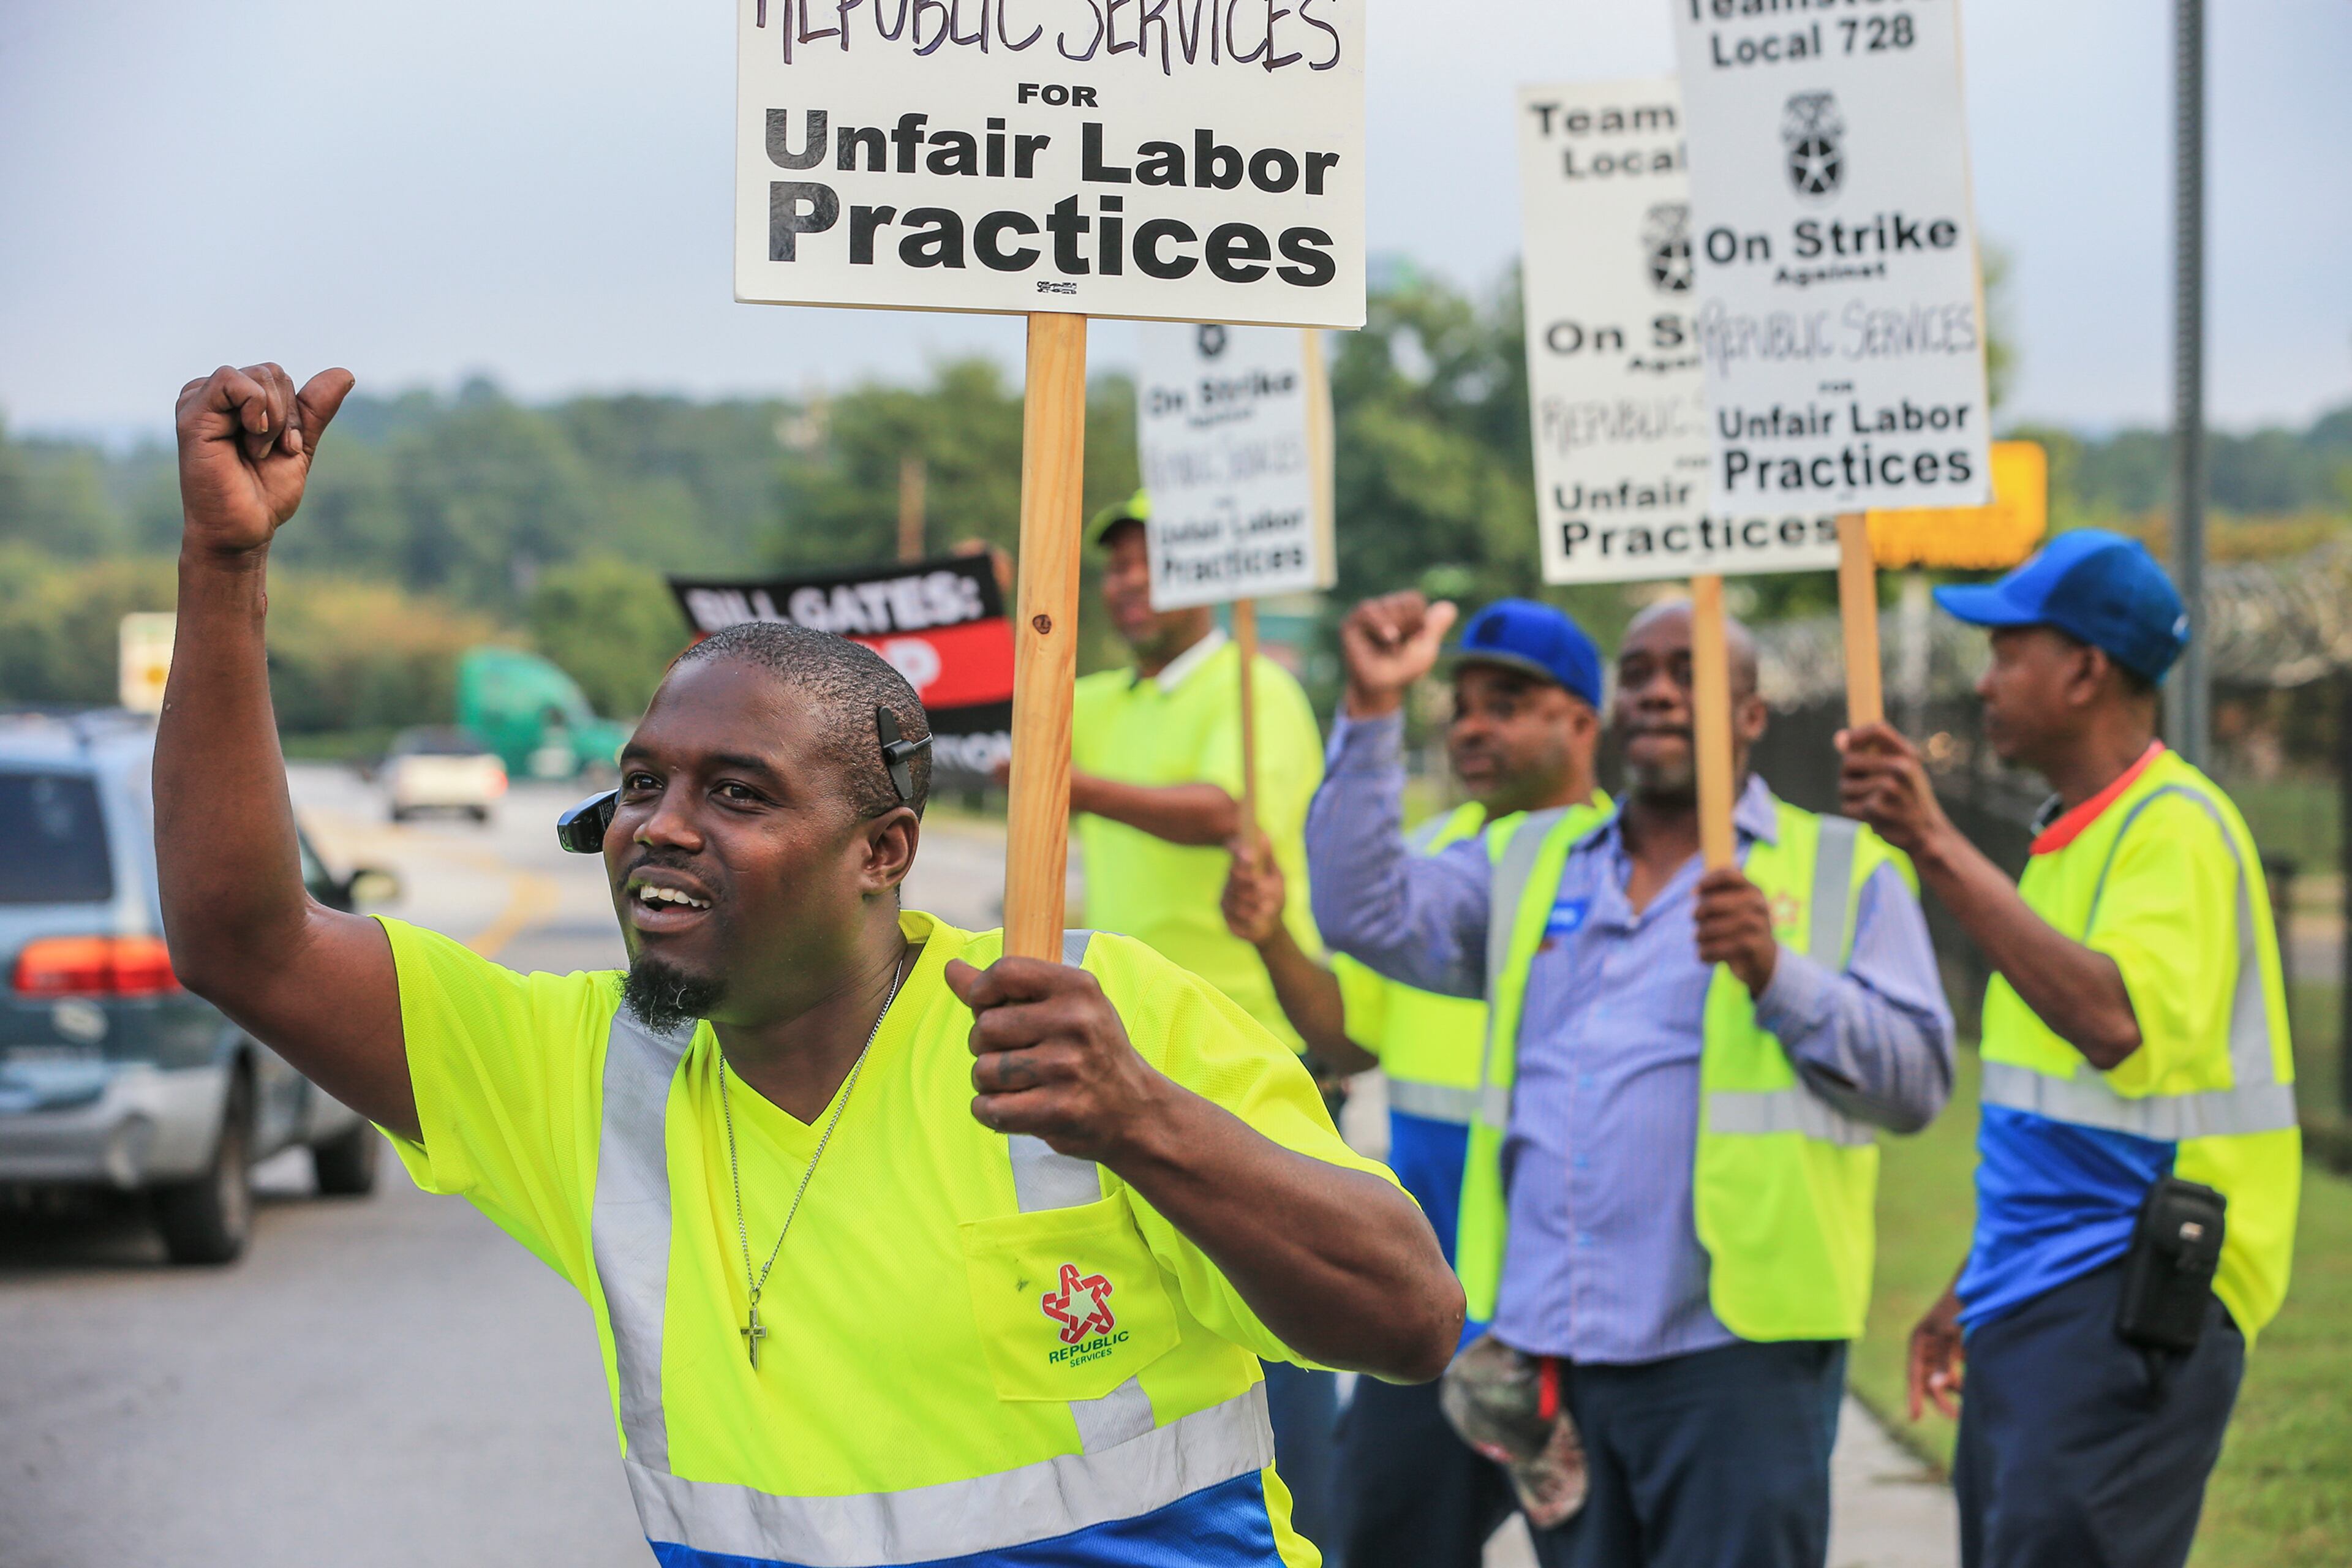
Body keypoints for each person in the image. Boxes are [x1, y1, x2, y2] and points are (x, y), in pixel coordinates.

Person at [156, 363, 1463, 1568]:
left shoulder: (1078, 1024)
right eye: (639, 783)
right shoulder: (581, 1072)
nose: (661, 823)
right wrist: (225, 565)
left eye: (736, 791)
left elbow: (1409, 1317)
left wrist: (1142, 1119)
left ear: (882, 850)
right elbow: (243, 940)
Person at [1306, 591, 1956, 1568]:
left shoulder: (1840, 870)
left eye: (1687, 674)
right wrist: (1370, 709)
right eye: (1640, 674)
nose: (1657, 691)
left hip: (1739, 1362)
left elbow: (1917, 1084)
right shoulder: (1534, 861)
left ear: (1749, 716)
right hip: (1561, 1350)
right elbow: (1365, 910)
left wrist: (1779, 977)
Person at [1841, 529, 2300, 1568]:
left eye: (2009, 652)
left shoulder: (2175, 827)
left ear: (2088, 670)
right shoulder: (2072, 843)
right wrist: (1976, 1280)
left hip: (2131, 1299)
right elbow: (2058, 1124)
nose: (1987, 679)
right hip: (2048, 1291)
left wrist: (1933, 843)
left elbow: (2114, 1023)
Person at [1222, 600, 1611, 1568]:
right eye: (1463, 703)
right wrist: (1273, 931)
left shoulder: (1627, 876)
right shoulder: (1435, 865)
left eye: (1508, 702)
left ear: (1582, 721)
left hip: (1586, 1323)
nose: (1472, 724)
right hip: (1439, 1319)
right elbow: (1345, 1039)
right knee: (1380, 1545)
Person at [1063, 491, 1347, 1553]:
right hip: (1118, 1055)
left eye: (1151, 564)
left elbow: (1224, 810)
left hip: (1244, 1054)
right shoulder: (1095, 699)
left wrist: (1067, 781)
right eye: (1114, 568)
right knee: (1152, 1317)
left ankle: (1299, 1530)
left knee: (1276, 1324)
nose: (1128, 585)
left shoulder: (1255, 688)